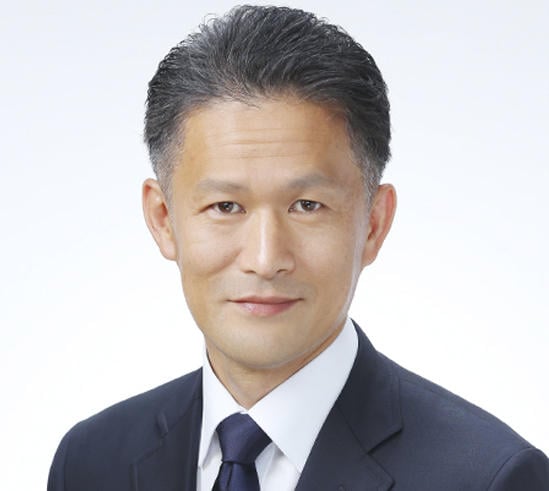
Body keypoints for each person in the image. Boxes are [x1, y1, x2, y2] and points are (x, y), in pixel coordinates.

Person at [48, 5, 549, 490]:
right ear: (163, 219)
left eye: (307, 206)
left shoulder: (490, 479)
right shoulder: (91, 463)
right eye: (226, 206)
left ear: (374, 223)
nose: (265, 259)